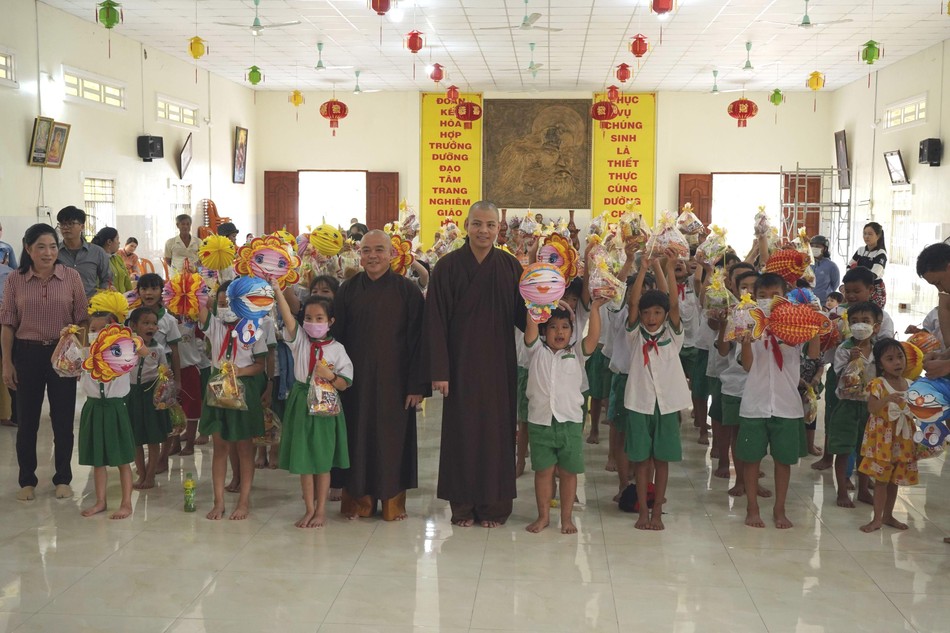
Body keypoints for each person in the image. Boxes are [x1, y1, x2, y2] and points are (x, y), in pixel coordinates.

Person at [423, 200, 526, 528]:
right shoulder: (448, 267)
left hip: (499, 365)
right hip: (461, 366)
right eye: (478, 224)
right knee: (462, 435)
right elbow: (435, 321)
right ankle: (463, 507)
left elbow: (524, 317)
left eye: (490, 225)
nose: (484, 231)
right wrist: (440, 370)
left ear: (499, 228)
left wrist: (549, 303)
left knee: (497, 435)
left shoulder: (510, 267)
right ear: (466, 226)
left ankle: (494, 507)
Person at [333, 230, 427, 521]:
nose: (372, 256)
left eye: (379, 250)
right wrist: (335, 380)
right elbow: (335, 338)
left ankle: (392, 504)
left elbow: (418, 341)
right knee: (356, 438)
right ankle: (358, 502)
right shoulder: (347, 289)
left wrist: (416, 385)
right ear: (359, 254)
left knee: (392, 441)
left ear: (392, 254)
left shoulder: (407, 291)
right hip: (354, 383)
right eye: (366, 251)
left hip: (396, 384)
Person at [0, 223, 89, 501]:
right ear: (28, 249)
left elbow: (83, 319)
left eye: (53, 246)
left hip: (62, 354)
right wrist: (7, 363)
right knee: (27, 421)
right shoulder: (15, 280)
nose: (48, 252)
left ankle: (63, 477)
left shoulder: (71, 277)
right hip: (27, 355)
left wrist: (77, 356)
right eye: (41, 246)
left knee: (63, 420)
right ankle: (27, 480)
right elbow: (7, 324)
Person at [737, 272, 820, 529]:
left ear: (785, 298)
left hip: (786, 405)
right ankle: (752, 508)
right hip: (755, 404)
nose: (768, 301)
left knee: (784, 461)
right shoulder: (750, 324)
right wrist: (747, 342)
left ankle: (779, 508)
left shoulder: (794, 327)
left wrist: (813, 323)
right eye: (763, 296)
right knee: (751, 460)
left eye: (775, 296)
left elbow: (814, 354)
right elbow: (748, 366)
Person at [524, 297, 605, 534]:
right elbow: (530, 323)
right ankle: (543, 517)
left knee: (569, 474)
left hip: (570, 422)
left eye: (565, 327)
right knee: (543, 472)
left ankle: (567, 519)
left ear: (572, 332)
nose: (559, 332)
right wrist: (539, 300)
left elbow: (594, 337)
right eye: (553, 327)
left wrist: (596, 309)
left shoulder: (577, 352)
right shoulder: (535, 349)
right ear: (543, 330)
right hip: (540, 422)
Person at [274, 289, 352, 528]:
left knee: (321, 459)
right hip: (301, 401)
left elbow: (345, 384)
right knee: (304, 460)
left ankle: (321, 510)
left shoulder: (337, 349)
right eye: (308, 318)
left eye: (320, 318)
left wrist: (329, 375)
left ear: (330, 322)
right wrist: (278, 289)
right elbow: (287, 316)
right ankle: (308, 508)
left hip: (326, 405)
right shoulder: (299, 340)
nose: (313, 323)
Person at [623, 249, 689, 531]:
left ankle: (658, 512)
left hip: (668, 404)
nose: (651, 317)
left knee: (661, 460)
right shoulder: (635, 334)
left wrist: (669, 268)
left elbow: (673, 303)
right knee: (640, 461)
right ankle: (641, 511)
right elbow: (633, 303)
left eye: (657, 312)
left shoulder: (673, 334)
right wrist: (643, 270)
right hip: (639, 403)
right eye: (647, 313)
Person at [197, 280, 267, 521]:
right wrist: (199, 290)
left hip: (242, 390)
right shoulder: (215, 326)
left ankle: (244, 501)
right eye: (222, 301)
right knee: (220, 448)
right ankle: (219, 501)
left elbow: (260, 365)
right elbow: (201, 308)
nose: (226, 305)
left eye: (231, 301)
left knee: (245, 449)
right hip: (217, 390)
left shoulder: (253, 329)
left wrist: (240, 371)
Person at [78, 311, 136, 519]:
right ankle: (100, 501)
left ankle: (126, 503)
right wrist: (65, 339)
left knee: (122, 459)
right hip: (93, 408)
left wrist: (127, 338)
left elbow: (144, 351)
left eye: (103, 330)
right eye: (93, 330)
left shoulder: (124, 354)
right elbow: (58, 364)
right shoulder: (86, 354)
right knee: (98, 460)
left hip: (115, 409)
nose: (96, 334)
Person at [857, 338, 918, 533]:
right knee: (882, 480)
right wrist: (887, 399)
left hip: (903, 439)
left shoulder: (911, 384)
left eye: (900, 357)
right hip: (882, 440)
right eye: (890, 359)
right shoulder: (878, 384)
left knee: (895, 480)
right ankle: (876, 518)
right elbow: (872, 408)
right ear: (881, 364)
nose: (897, 362)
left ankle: (889, 515)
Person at [829, 301, 881, 508]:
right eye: (855, 321)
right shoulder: (844, 348)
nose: (860, 325)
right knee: (843, 449)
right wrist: (851, 361)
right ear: (849, 325)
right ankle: (842, 491)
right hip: (847, 405)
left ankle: (863, 490)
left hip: (870, 407)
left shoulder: (879, 350)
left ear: (876, 325)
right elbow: (839, 375)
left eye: (866, 321)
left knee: (865, 450)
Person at [126, 307, 171, 490]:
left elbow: (165, 373)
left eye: (154, 323)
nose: (151, 326)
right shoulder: (126, 346)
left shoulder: (159, 349)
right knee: (135, 437)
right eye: (146, 323)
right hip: (132, 395)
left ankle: (150, 475)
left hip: (152, 397)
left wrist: (168, 378)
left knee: (153, 438)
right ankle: (141, 473)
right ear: (134, 326)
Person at [55, 206, 112, 297]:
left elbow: (107, 279)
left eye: (70, 223)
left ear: (82, 227)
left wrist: (101, 296)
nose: (65, 228)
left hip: (90, 305)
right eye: (62, 224)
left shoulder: (97, 252)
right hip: (61, 304)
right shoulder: (54, 251)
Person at [849, 221, 887, 306]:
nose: (866, 237)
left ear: (878, 236)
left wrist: (857, 276)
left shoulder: (881, 253)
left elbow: (874, 274)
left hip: (874, 287)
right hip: (858, 286)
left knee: (872, 314)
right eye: (864, 233)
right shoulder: (860, 250)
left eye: (870, 234)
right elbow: (849, 266)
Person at [91, 227, 132, 293]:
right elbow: (95, 285)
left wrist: (131, 295)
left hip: (123, 300)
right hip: (107, 301)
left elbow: (127, 281)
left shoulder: (118, 258)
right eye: (117, 239)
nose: (119, 242)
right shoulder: (96, 260)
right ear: (109, 242)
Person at [809, 235, 840, 305]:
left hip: (824, 303)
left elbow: (835, 284)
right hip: (807, 301)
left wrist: (825, 293)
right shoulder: (807, 264)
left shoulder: (831, 266)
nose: (814, 248)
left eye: (817, 246)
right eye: (812, 246)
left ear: (825, 249)